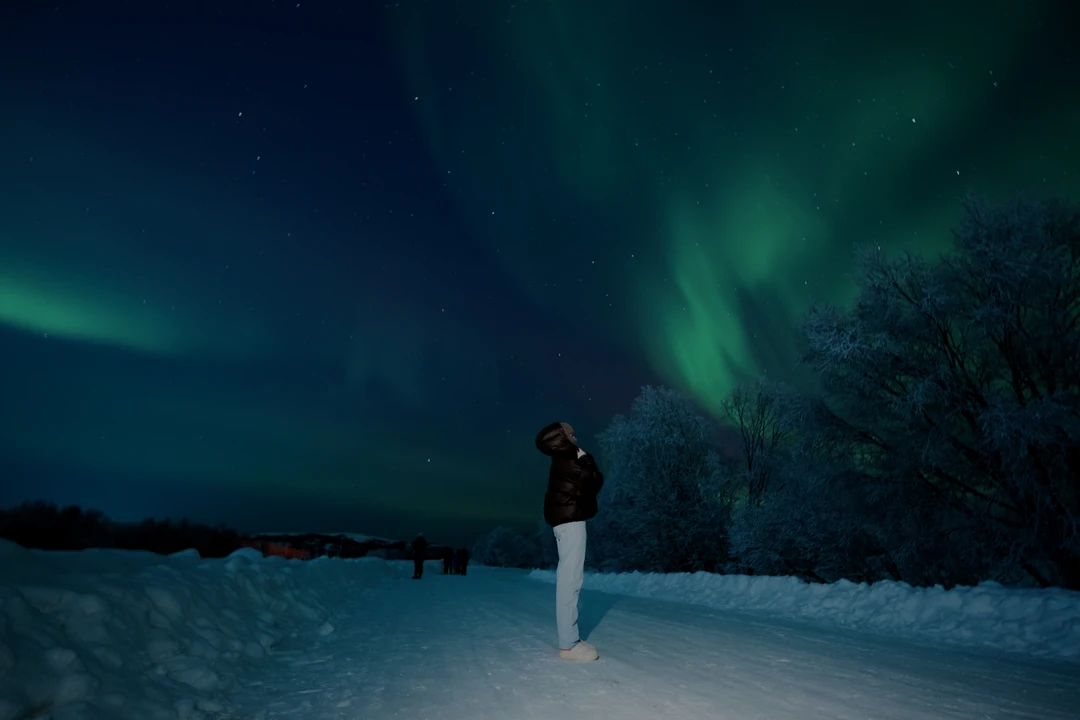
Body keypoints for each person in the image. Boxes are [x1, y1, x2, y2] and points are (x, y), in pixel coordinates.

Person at [535, 421, 604, 661]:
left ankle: (570, 639)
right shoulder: (567, 458)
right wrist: (587, 459)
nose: (576, 437)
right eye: (571, 433)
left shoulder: (561, 458)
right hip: (571, 523)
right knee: (570, 581)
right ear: (561, 437)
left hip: (567, 522)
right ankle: (569, 643)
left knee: (569, 579)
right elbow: (594, 481)